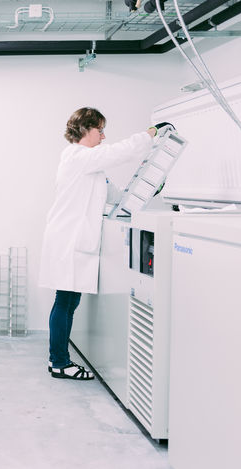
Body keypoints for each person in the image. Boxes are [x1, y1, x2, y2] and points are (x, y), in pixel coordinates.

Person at [39, 107, 161, 380]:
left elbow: (115, 195)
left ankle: (58, 359)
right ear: (85, 129)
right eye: (100, 130)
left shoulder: (92, 165)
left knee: (69, 302)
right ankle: (59, 362)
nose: (104, 136)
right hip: (67, 241)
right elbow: (118, 152)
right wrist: (149, 135)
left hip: (74, 242)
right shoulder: (77, 156)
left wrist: (151, 188)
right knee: (65, 301)